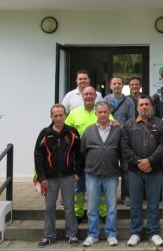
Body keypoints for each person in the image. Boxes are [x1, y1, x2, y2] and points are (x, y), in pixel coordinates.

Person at [121, 94, 163, 247]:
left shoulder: (161, 124)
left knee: (153, 203)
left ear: (151, 107)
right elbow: (125, 148)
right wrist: (138, 162)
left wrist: (150, 161)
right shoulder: (128, 125)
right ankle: (135, 233)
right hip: (134, 171)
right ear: (137, 107)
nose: (144, 107)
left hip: (154, 170)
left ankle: (153, 232)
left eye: (146, 104)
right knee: (135, 203)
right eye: (141, 105)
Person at [34, 104, 83, 247]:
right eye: (55, 115)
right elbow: (38, 156)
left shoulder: (72, 132)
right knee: (49, 207)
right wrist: (41, 177)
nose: (58, 118)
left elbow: (79, 154)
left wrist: (78, 172)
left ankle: (72, 235)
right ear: (51, 116)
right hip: (49, 178)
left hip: (68, 176)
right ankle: (49, 236)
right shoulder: (44, 133)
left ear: (65, 115)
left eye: (61, 115)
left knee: (69, 206)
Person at [81, 102, 121, 247]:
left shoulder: (118, 130)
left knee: (111, 206)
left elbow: (121, 151)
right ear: (96, 113)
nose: (103, 114)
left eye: (105, 112)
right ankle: (93, 235)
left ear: (109, 112)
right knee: (92, 207)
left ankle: (111, 234)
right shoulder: (88, 130)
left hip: (111, 174)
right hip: (92, 174)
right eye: (100, 112)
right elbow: (82, 152)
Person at [65, 86, 107, 223]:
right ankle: (78, 213)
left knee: (100, 187)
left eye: (91, 94)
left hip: (97, 157)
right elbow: (65, 131)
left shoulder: (101, 111)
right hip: (79, 156)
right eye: (86, 94)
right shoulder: (74, 113)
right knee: (79, 187)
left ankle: (103, 212)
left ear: (96, 97)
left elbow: (113, 124)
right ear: (82, 96)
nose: (89, 96)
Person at [104, 76, 135, 206]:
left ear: (123, 86)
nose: (117, 85)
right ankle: (109, 195)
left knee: (126, 168)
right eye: (114, 83)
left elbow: (132, 118)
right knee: (109, 167)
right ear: (110, 86)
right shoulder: (105, 100)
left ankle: (126, 195)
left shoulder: (128, 101)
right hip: (108, 139)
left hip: (124, 139)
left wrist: (120, 127)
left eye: (119, 83)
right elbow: (101, 116)